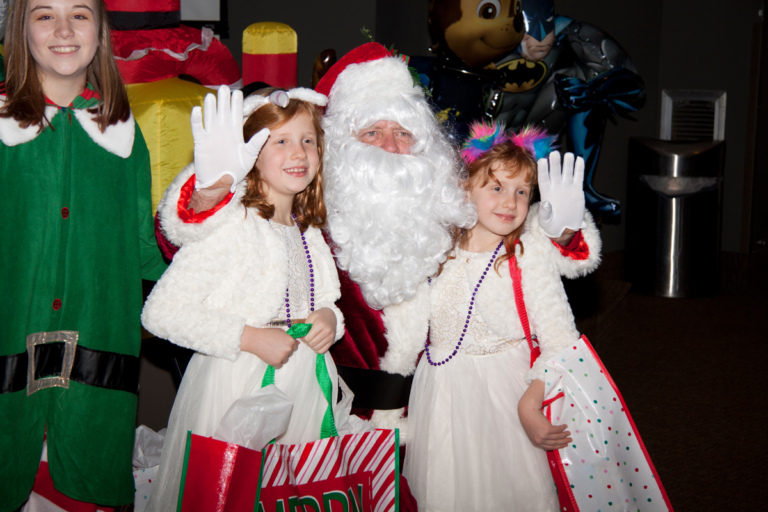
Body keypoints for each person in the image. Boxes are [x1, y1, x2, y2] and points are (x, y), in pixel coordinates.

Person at [313, 43, 600, 432]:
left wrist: (563, 234)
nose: (392, 147)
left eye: (402, 132)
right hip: (335, 427)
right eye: (372, 132)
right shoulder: (310, 225)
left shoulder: (447, 216)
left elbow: (520, 235)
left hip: (442, 415)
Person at [141, 86, 359, 511]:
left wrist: (331, 320)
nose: (298, 152)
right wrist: (250, 337)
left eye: (308, 140)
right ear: (251, 153)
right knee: (235, 493)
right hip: (239, 388)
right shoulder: (233, 224)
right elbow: (161, 313)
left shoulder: (307, 229)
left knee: (294, 493)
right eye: (280, 141)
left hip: (305, 388)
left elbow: (327, 299)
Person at [0, 0, 166, 510]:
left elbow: (145, 246)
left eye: (80, 14)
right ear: (20, 29)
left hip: (98, 355)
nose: (65, 30)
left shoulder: (121, 131)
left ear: (101, 29)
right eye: (45, 15)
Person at [403, 122, 596, 511]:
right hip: (439, 398)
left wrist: (530, 403)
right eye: (496, 188)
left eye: (522, 192)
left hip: (505, 398)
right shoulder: (436, 248)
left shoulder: (528, 252)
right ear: (464, 189)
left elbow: (562, 341)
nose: (510, 202)